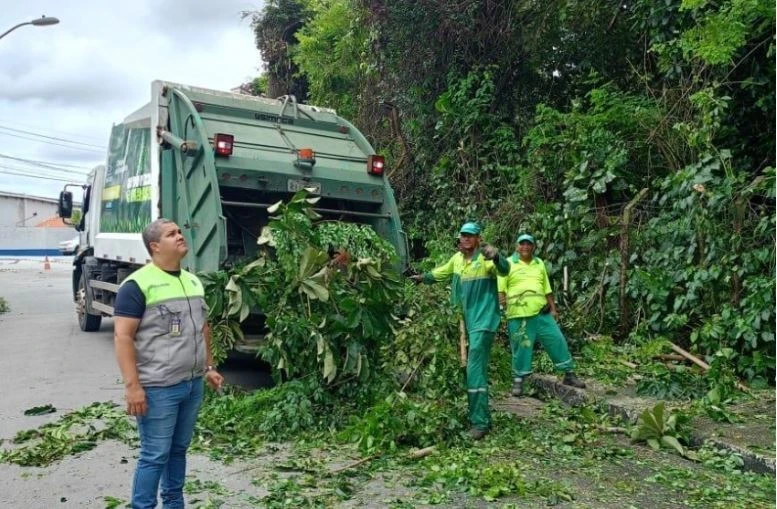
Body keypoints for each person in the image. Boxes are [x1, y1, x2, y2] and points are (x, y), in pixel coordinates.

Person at [114, 218, 224, 509]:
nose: (180, 236)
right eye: (171, 234)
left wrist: (210, 368)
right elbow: (122, 337)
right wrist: (133, 387)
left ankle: (174, 504)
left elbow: (203, 328)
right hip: (158, 388)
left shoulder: (192, 281)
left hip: (191, 385)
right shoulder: (137, 285)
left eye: (179, 231)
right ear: (155, 246)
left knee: (178, 451)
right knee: (155, 455)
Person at [411, 222, 508, 440]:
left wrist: (497, 257)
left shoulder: (485, 258)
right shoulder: (457, 259)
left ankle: (480, 423)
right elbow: (440, 273)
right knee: (469, 370)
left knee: (474, 369)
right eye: (463, 236)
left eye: (470, 236)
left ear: (478, 239)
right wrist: (421, 278)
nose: (465, 239)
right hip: (465, 323)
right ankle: (477, 414)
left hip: (483, 322)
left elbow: (505, 269)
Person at [497, 233, 585, 397]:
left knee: (557, 340)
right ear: (517, 246)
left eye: (528, 244)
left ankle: (569, 374)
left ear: (533, 247)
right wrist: (503, 308)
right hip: (519, 314)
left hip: (541, 312)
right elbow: (501, 290)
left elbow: (547, 288)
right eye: (522, 244)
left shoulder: (539, 263)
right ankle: (518, 381)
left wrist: (553, 308)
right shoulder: (507, 263)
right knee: (521, 348)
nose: (525, 247)